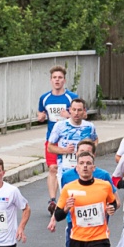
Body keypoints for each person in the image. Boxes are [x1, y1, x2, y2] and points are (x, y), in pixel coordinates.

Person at [56, 151, 118, 247]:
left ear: (93, 167)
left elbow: (113, 202)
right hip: (77, 239)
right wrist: (66, 208)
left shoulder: (104, 186)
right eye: (82, 163)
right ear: (76, 168)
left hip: (99, 239)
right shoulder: (69, 188)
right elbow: (57, 215)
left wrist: (111, 209)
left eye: (88, 163)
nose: (85, 166)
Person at [38, 65, 78, 213]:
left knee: (71, 169)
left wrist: (69, 115)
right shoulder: (45, 98)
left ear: (64, 80)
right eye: (54, 77)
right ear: (51, 80)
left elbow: (83, 114)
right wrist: (41, 117)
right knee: (53, 168)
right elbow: (40, 114)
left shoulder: (71, 97)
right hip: (52, 140)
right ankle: (53, 201)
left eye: (60, 78)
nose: (57, 80)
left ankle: (70, 197)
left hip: (68, 140)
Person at [48, 97, 99, 192]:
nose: (76, 113)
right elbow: (50, 147)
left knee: (83, 196)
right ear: (69, 110)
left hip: (84, 170)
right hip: (65, 170)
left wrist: (90, 151)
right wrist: (65, 150)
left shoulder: (89, 126)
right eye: (74, 110)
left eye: (79, 110)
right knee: (68, 199)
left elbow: (95, 140)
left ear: (84, 111)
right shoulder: (60, 126)